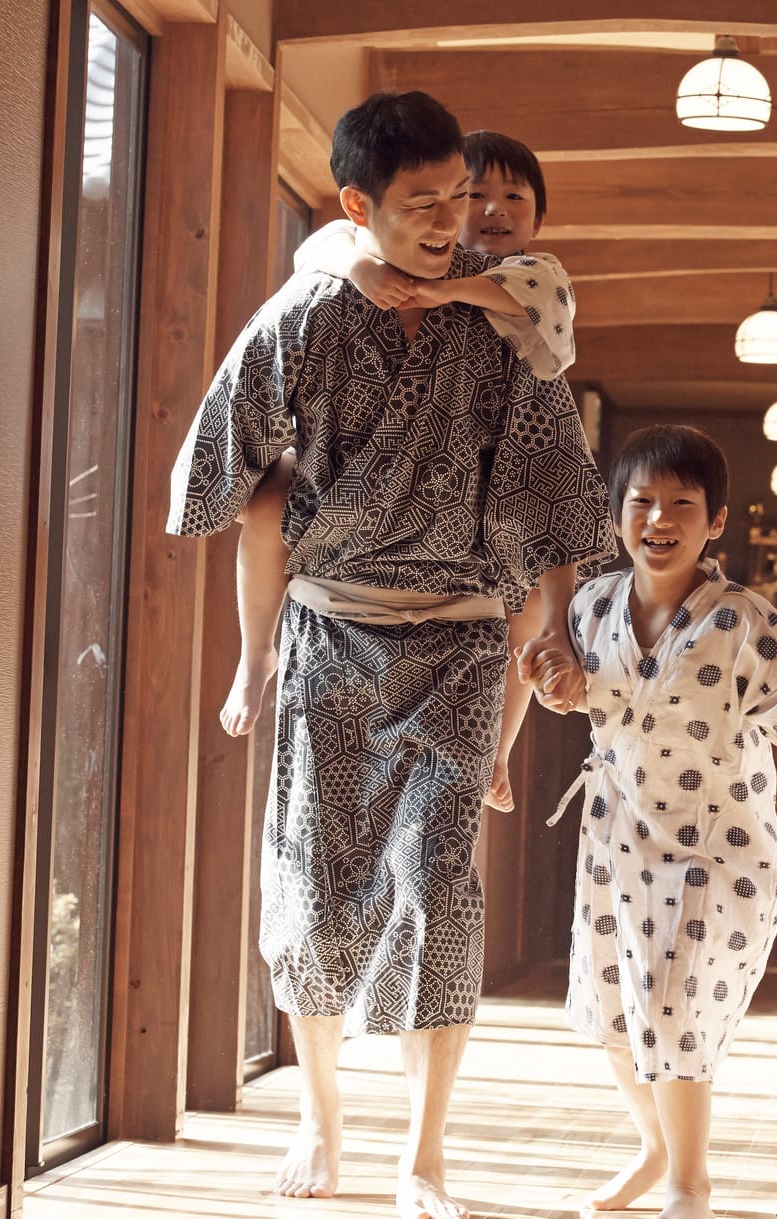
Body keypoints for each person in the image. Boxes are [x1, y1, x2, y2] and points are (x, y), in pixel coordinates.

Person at [166, 92, 610, 1219]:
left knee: (434, 883)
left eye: (460, 198)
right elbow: (227, 464)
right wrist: (251, 641)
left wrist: (552, 624)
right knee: (313, 888)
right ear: (358, 206)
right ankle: (320, 1117)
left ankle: (425, 1152)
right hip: (329, 632)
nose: (452, 221)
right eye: (424, 204)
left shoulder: (503, 315)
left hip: (461, 638)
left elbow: (554, 482)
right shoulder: (309, 311)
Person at [520, 426, 777, 1219]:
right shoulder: (591, 606)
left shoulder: (746, 622)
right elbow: (570, 686)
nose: (659, 518)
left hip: (717, 852)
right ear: (617, 515)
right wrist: (554, 685)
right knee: (613, 1008)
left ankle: (690, 1180)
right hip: (615, 840)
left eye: (681, 503)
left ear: (715, 521)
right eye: (642, 501)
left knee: (672, 1002)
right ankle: (654, 1149)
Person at [218, 130, 573, 816]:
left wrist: (445, 291)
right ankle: (256, 650)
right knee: (266, 503)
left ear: (538, 219)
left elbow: (534, 297)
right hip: (351, 520)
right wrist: (361, 269)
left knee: (528, 601)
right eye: (472, 195)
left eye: (514, 198)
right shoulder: (359, 270)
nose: (492, 209)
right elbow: (320, 245)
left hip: (494, 496)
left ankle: (497, 750)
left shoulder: (536, 276)